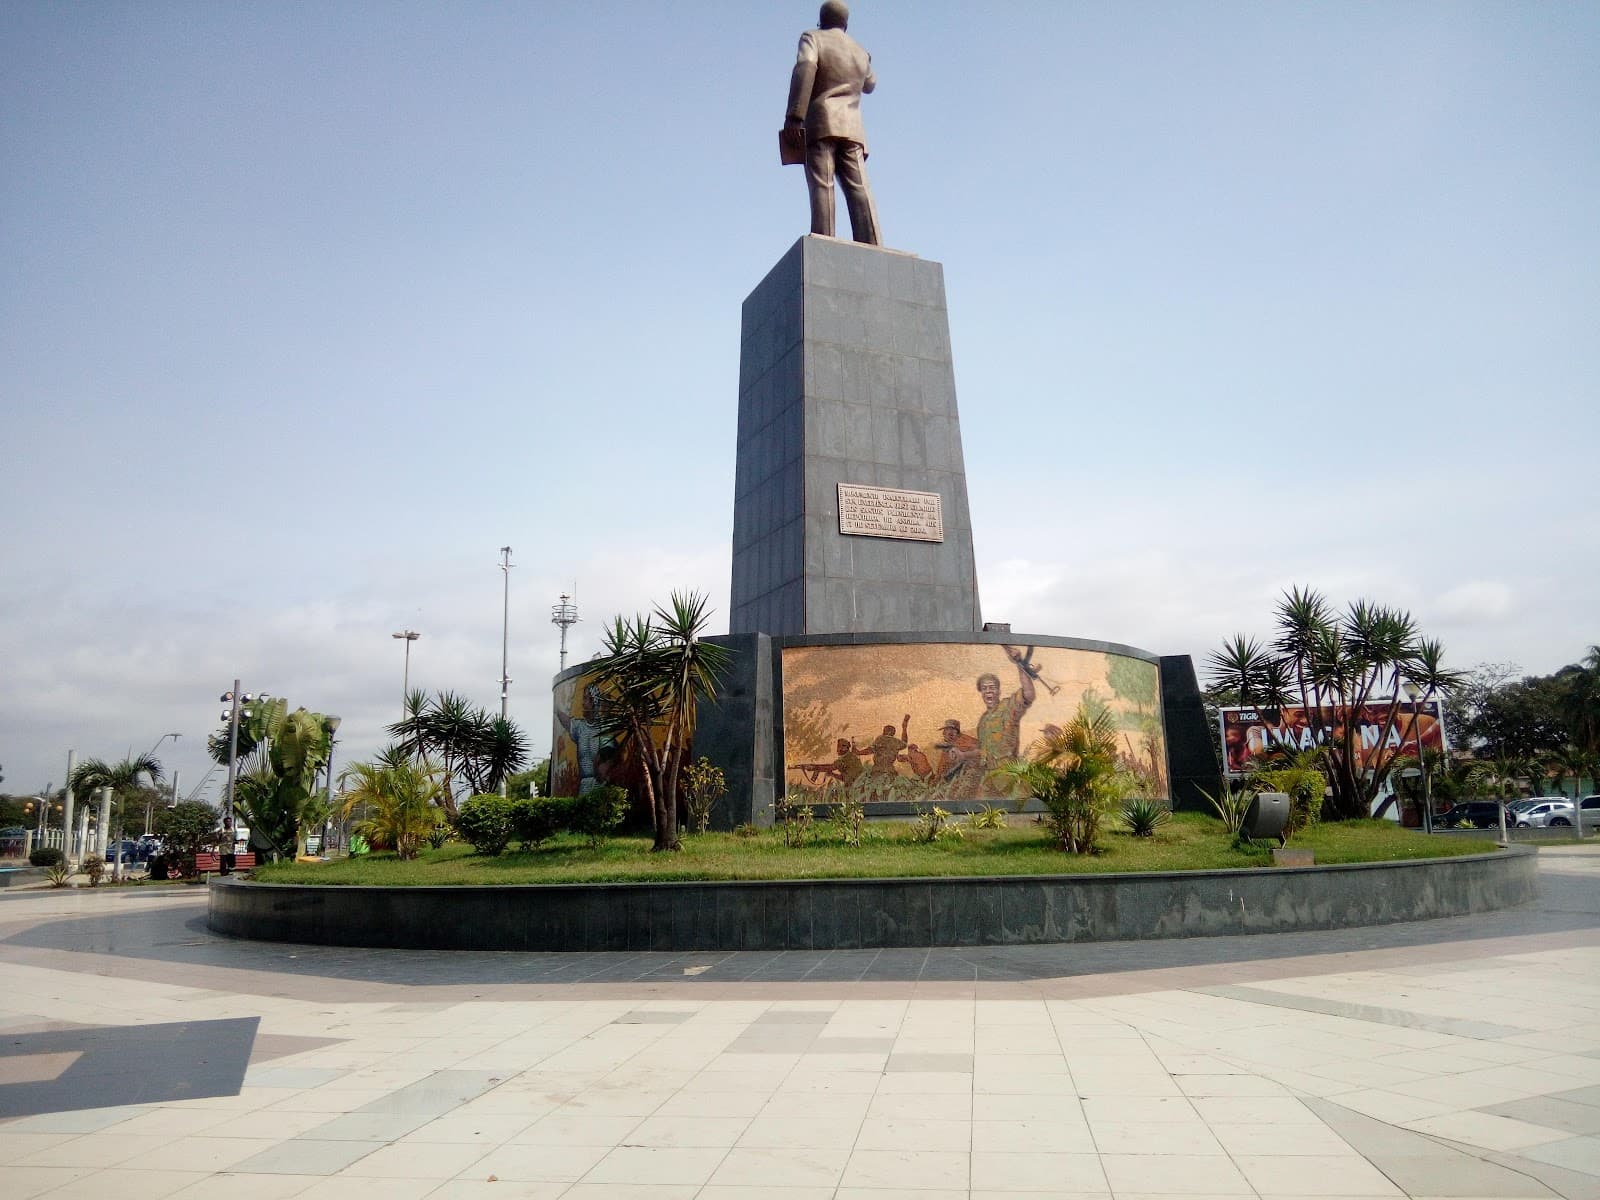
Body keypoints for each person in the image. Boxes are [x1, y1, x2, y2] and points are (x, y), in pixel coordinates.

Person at [784, 0, 882, 244]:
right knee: (859, 188)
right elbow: (870, 84)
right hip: (853, 129)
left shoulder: (813, 38)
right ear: (845, 24)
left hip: (821, 122)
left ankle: (824, 242)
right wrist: (866, 59)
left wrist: (795, 115)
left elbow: (805, 68)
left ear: (822, 20)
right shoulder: (860, 51)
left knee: (822, 185)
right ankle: (872, 243)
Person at [975, 647, 1038, 791]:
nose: (988, 691)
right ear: (982, 693)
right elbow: (982, 750)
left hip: (1008, 775)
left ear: (998, 691)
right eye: (984, 688)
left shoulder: (1007, 707)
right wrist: (962, 755)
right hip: (989, 776)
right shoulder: (983, 721)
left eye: (992, 687)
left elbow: (1028, 694)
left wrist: (1019, 664)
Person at [556, 685, 610, 795]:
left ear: (594, 701)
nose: (583, 703)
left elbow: (609, 752)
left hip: (600, 785)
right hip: (584, 786)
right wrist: (556, 707)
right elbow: (566, 721)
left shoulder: (603, 727)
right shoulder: (579, 727)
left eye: (586, 699)